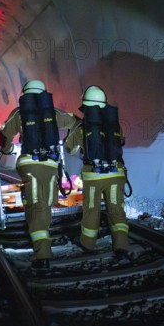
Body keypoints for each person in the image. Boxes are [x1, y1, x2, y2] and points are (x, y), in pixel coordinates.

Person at [0, 79, 79, 269]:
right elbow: (76, 121)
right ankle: (43, 247)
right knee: (45, 205)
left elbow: (5, 133)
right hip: (51, 165)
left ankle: (42, 255)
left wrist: (7, 148)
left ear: (25, 95)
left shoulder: (19, 113)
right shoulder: (54, 113)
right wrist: (70, 143)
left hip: (29, 164)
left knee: (36, 205)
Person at [64, 85, 130, 262]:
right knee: (116, 210)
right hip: (116, 173)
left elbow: (70, 149)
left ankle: (87, 244)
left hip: (93, 176)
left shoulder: (80, 126)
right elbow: (121, 142)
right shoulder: (114, 124)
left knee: (92, 210)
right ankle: (121, 247)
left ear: (85, 105)